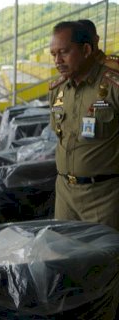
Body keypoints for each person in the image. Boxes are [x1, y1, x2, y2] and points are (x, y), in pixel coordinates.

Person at [48, 21, 119, 231]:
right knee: (65, 257)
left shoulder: (113, 87)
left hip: (104, 196)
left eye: (64, 52)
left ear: (86, 50)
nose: (57, 61)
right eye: (53, 54)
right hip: (65, 194)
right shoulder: (57, 90)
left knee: (104, 260)